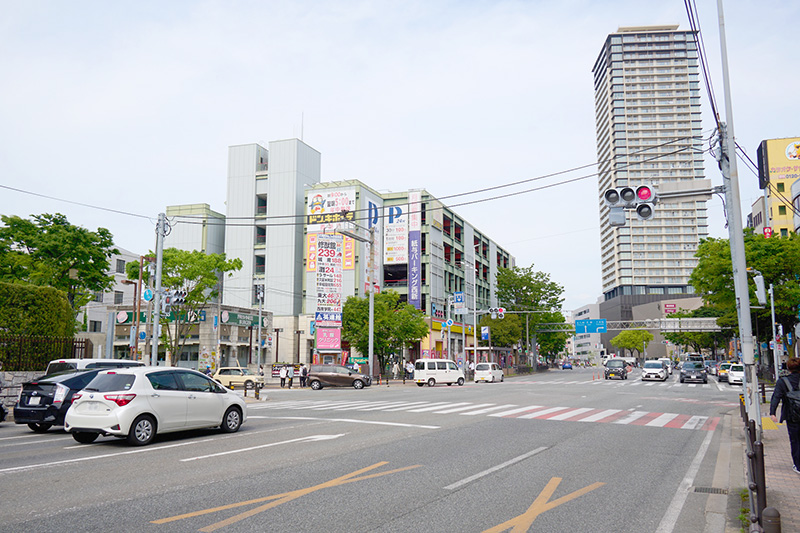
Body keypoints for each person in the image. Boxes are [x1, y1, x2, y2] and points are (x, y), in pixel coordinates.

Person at [769, 357, 800, 474]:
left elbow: (776, 397)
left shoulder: (783, 382)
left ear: (788, 368)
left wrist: (773, 413)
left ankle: (798, 465)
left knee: (795, 440)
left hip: (792, 416)